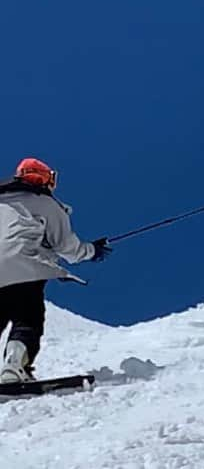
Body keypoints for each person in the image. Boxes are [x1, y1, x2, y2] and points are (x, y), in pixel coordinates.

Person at [0, 158, 111, 383]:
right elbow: (68, 248)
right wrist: (93, 251)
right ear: (46, 179)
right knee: (27, 318)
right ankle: (13, 368)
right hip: (23, 268)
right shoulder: (46, 204)